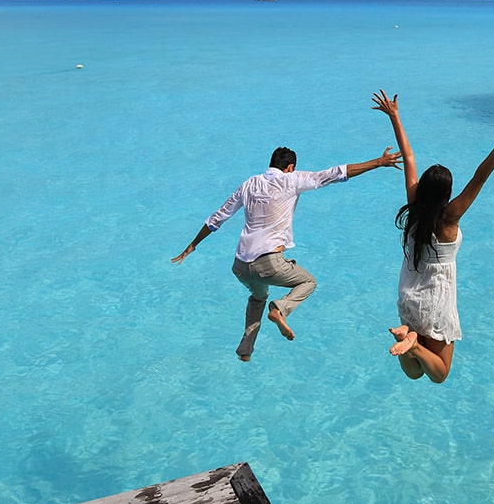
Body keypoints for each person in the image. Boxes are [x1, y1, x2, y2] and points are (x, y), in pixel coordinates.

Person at [172, 144, 401, 361]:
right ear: (290, 167)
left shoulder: (249, 183)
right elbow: (337, 173)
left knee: (257, 296)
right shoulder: (293, 180)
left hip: (240, 266)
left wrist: (192, 245)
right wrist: (379, 162)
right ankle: (280, 310)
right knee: (308, 282)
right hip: (269, 263)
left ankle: (245, 349)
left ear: (271, 163)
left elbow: (218, 217)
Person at [371, 89, 494, 383]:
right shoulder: (450, 217)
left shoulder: (413, 208)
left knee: (412, 374)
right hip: (436, 301)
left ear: (422, 189)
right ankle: (412, 344)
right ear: (447, 194)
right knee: (439, 374)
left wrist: (394, 116)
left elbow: (408, 156)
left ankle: (409, 340)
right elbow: (479, 177)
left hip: (409, 296)